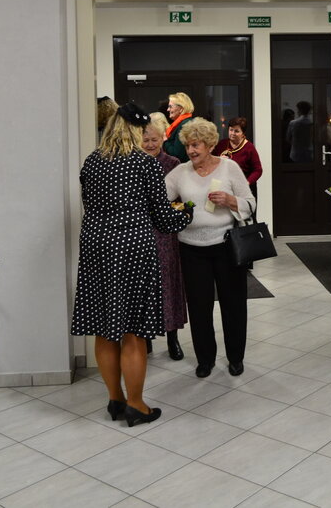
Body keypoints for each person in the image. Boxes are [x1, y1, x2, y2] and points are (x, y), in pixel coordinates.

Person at [71, 102, 192, 427]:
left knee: (104, 327)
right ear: (137, 131)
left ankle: (115, 399)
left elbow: (90, 204)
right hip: (133, 248)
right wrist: (187, 213)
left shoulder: (92, 161)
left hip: (96, 247)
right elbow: (164, 219)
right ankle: (136, 405)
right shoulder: (144, 164)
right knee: (134, 330)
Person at [165, 117, 256, 378]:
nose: (191, 151)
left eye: (196, 145)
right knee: (199, 308)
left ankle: (236, 358)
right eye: (188, 146)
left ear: (210, 145)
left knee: (234, 305)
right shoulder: (180, 172)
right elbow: (159, 200)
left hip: (227, 247)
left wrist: (230, 200)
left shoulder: (229, 168)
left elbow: (250, 203)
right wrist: (174, 211)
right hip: (191, 249)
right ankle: (205, 359)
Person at [142, 114, 187, 361]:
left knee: (169, 285)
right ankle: (146, 338)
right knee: (145, 286)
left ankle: (172, 338)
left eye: (155, 139)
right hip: (140, 233)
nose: (150, 144)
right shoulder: (133, 163)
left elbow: (180, 198)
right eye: (146, 139)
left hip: (167, 234)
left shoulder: (173, 163)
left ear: (163, 139)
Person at [213, 116, 263, 200]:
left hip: (244, 190)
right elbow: (211, 160)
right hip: (225, 188)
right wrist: (219, 160)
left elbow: (258, 170)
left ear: (243, 133)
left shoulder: (249, 148)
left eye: (236, 131)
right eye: (231, 130)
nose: (232, 133)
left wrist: (247, 183)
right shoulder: (222, 144)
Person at [163, 92, 194, 162]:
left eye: (170, 106)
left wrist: (165, 141)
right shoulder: (184, 123)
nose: (168, 109)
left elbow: (177, 154)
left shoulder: (183, 125)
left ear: (181, 109)